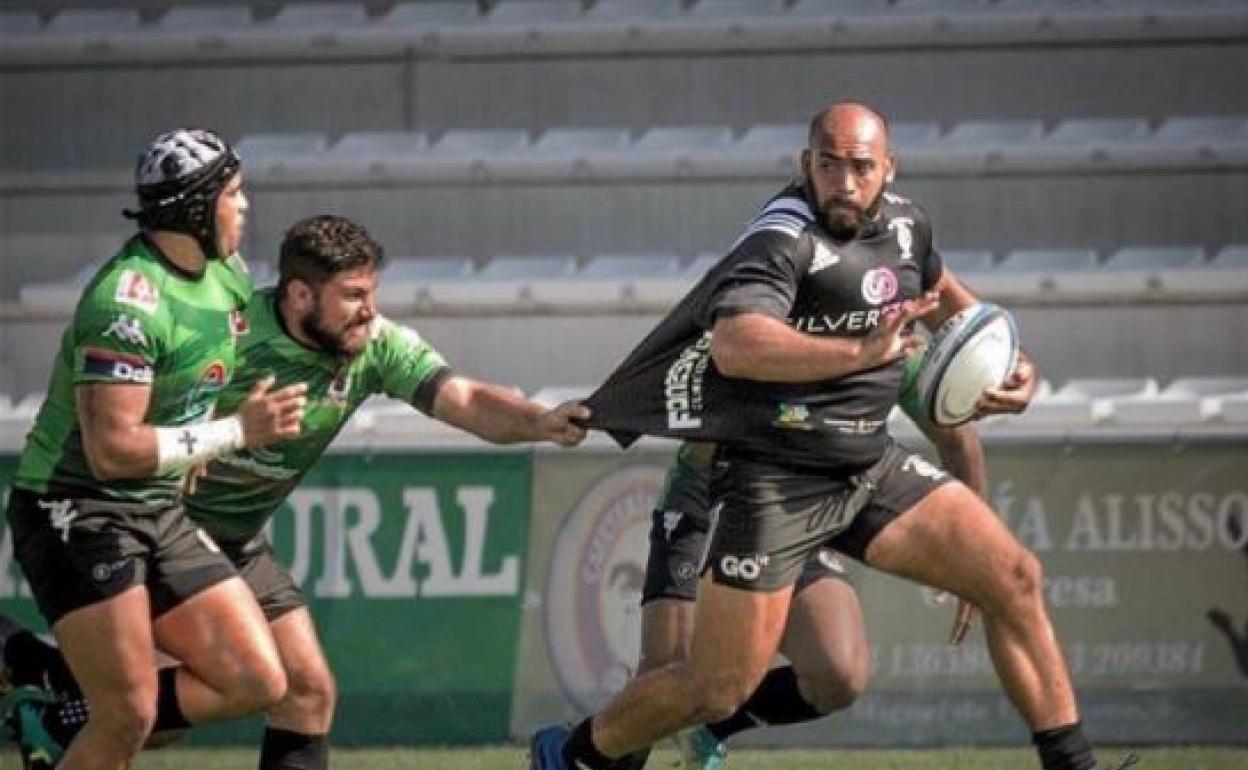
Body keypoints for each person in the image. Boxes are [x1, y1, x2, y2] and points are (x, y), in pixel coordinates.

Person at [530, 101, 1128, 770]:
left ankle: (1075, 765)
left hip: (867, 466)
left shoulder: (907, 228)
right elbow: (735, 343)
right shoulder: (781, 238)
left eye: (862, 167)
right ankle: (573, 754)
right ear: (805, 164)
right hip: (771, 482)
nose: (845, 182)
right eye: (830, 164)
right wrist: (858, 353)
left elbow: (964, 314)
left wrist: (1017, 366)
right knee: (716, 686)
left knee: (1013, 576)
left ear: (888, 169)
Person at [1, 214, 591, 770]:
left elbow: (463, 399)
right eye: (354, 296)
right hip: (158, 528)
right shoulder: (229, 332)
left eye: (372, 293)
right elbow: (125, 419)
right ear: (301, 295)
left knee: (304, 692)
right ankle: (51, 689)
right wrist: (198, 441)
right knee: (152, 710)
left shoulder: (376, 347)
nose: (370, 311)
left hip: (236, 542)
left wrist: (538, 420)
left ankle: (52, 698)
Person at [2, 128, 309, 770]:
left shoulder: (224, 275)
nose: (245, 206)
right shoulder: (126, 302)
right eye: (234, 192)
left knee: (256, 677)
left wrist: (196, 438)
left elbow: (196, 380)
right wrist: (233, 433)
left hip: (156, 507)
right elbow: (112, 451)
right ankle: (60, 696)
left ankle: (51, 701)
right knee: (127, 718)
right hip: (77, 511)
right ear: (196, 207)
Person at [631, 348, 988, 770]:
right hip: (704, 500)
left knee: (837, 674)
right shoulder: (761, 320)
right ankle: (575, 756)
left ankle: (712, 729)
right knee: (666, 676)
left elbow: (957, 438)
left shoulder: (894, 344)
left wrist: (974, 559)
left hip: (789, 513)